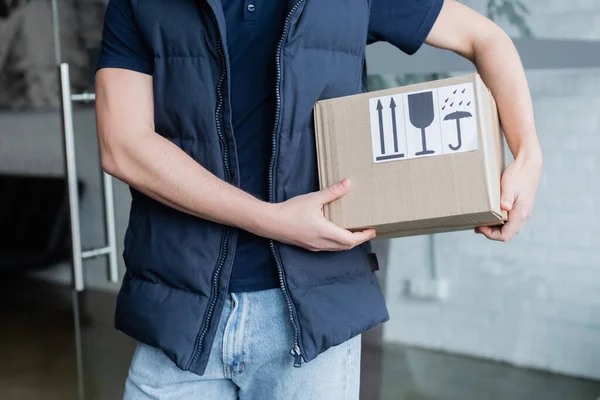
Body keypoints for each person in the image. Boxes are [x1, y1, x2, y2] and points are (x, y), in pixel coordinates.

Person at [95, 0, 542, 398]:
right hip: (180, 314)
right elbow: (122, 144)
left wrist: (528, 154)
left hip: (312, 314)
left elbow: (485, 36)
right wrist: (269, 219)